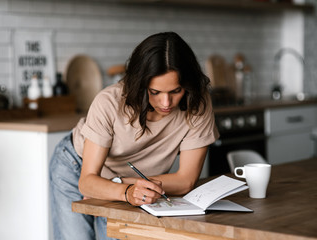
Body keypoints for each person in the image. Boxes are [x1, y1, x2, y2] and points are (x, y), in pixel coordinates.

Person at [49, 31, 220, 240]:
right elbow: (87, 182)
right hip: (76, 165)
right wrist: (124, 189)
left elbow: (185, 181)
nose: (166, 103)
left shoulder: (198, 104)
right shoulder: (109, 102)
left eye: (175, 91)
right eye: (155, 92)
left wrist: (121, 184)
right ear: (140, 84)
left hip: (134, 185)